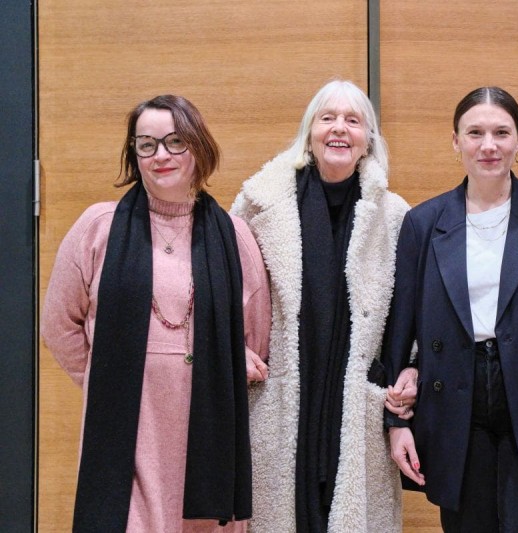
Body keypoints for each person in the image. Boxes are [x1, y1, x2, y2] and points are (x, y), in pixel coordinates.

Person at [41, 95, 271, 531]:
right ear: (134, 154)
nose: (160, 154)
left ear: (198, 147)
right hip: (129, 423)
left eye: (174, 141)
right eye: (146, 144)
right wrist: (106, 374)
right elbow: (58, 325)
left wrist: (226, 358)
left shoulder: (233, 235)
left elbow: (255, 340)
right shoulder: (98, 226)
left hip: (207, 425)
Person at [382, 86, 518, 532]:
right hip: (455, 395)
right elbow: (399, 329)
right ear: (455, 141)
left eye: (501, 132)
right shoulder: (423, 222)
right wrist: (395, 423)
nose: (489, 145)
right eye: (474, 132)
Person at [231, 79, 414, 533]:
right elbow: (222, 290)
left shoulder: (394, 216)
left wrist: (408, 372)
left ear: (368, 140)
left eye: (353, 121)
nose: (339, 129)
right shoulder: (258, 206)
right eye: (327, 117)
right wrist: (235, 347)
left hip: (355, 406)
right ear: (309, 132)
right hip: (278, 397)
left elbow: (411, 313)